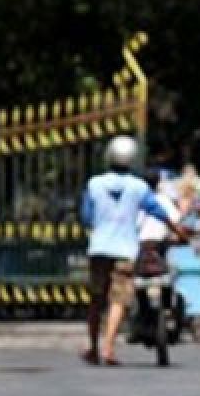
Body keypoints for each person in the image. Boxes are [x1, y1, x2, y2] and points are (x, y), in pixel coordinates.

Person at [80, 137, 187, 365]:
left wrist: (99, 227)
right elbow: (158, 212)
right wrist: (179, 233)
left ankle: (92, 347)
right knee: (119, 300)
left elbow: (86, 217)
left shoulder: (94, 184)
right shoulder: (139, 187)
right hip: (125, 250)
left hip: (99, 248)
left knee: (97, 299)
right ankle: (108, 347)